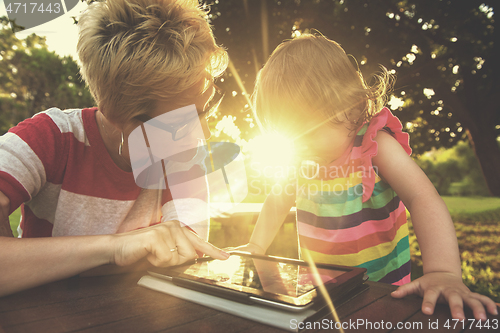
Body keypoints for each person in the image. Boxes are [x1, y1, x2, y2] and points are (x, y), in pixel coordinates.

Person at [236, 34, 498, 320]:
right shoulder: (301, 159)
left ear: (351, 106)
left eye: (308, 132)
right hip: (319, 292)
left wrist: (443, 271)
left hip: (382, 291)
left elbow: (422, 198)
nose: (299, 144)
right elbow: (277, 201)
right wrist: (256, 246)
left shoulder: (375, 147)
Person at [0, 0, 231, 297]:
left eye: (205, 110)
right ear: (125, 119)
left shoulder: (184, 162)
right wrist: (115, 248)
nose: (205, 134)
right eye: (183, 122)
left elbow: (183, 255)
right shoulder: (51, 138)